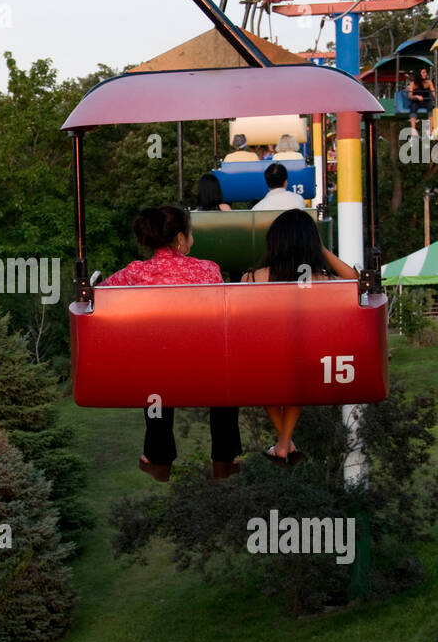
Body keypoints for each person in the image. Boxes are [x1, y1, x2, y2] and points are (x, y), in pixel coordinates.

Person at [102, 204, 241, 481]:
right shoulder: (208, 270)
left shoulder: (134, 274)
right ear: (180, 238)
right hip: (206, 370)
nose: (193, 239)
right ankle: (224, 459)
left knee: (155, 376)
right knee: (227, 382)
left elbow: (101, 297)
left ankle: (159, 458)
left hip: (159, 371)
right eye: (190, 233)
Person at [241, 209, 359, 464]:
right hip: (306, 361)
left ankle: (284, 443)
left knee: (266, 378)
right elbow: (355, 281)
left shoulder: (253, 277)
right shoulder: (321, 279)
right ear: (311, 243)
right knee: (299, 371)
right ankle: (284, 444)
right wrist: (323, 250)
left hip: (264, 362)